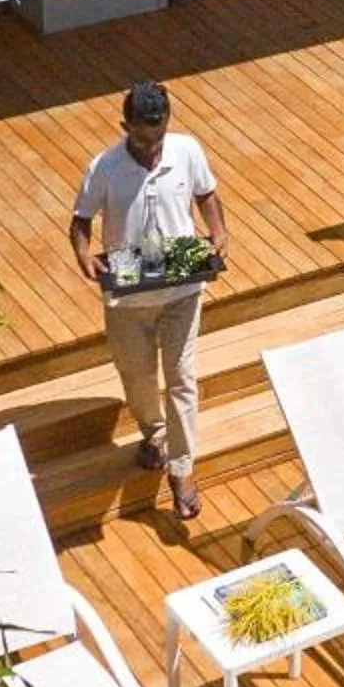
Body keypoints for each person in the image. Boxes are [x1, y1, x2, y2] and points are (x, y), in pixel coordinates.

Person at [70, 82, 230, 520]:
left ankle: (182, 470)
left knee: (181, 376)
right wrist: (84, 255)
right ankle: (154, 434)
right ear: (125, 127)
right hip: (128, 294)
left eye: (158, 138)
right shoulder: (103, 167)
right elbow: (81, 221)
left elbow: (206, 195)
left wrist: (219, 232)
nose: (151, 147)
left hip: (182, 286)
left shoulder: (186, 150)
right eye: (142, 138)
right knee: (137, 375)